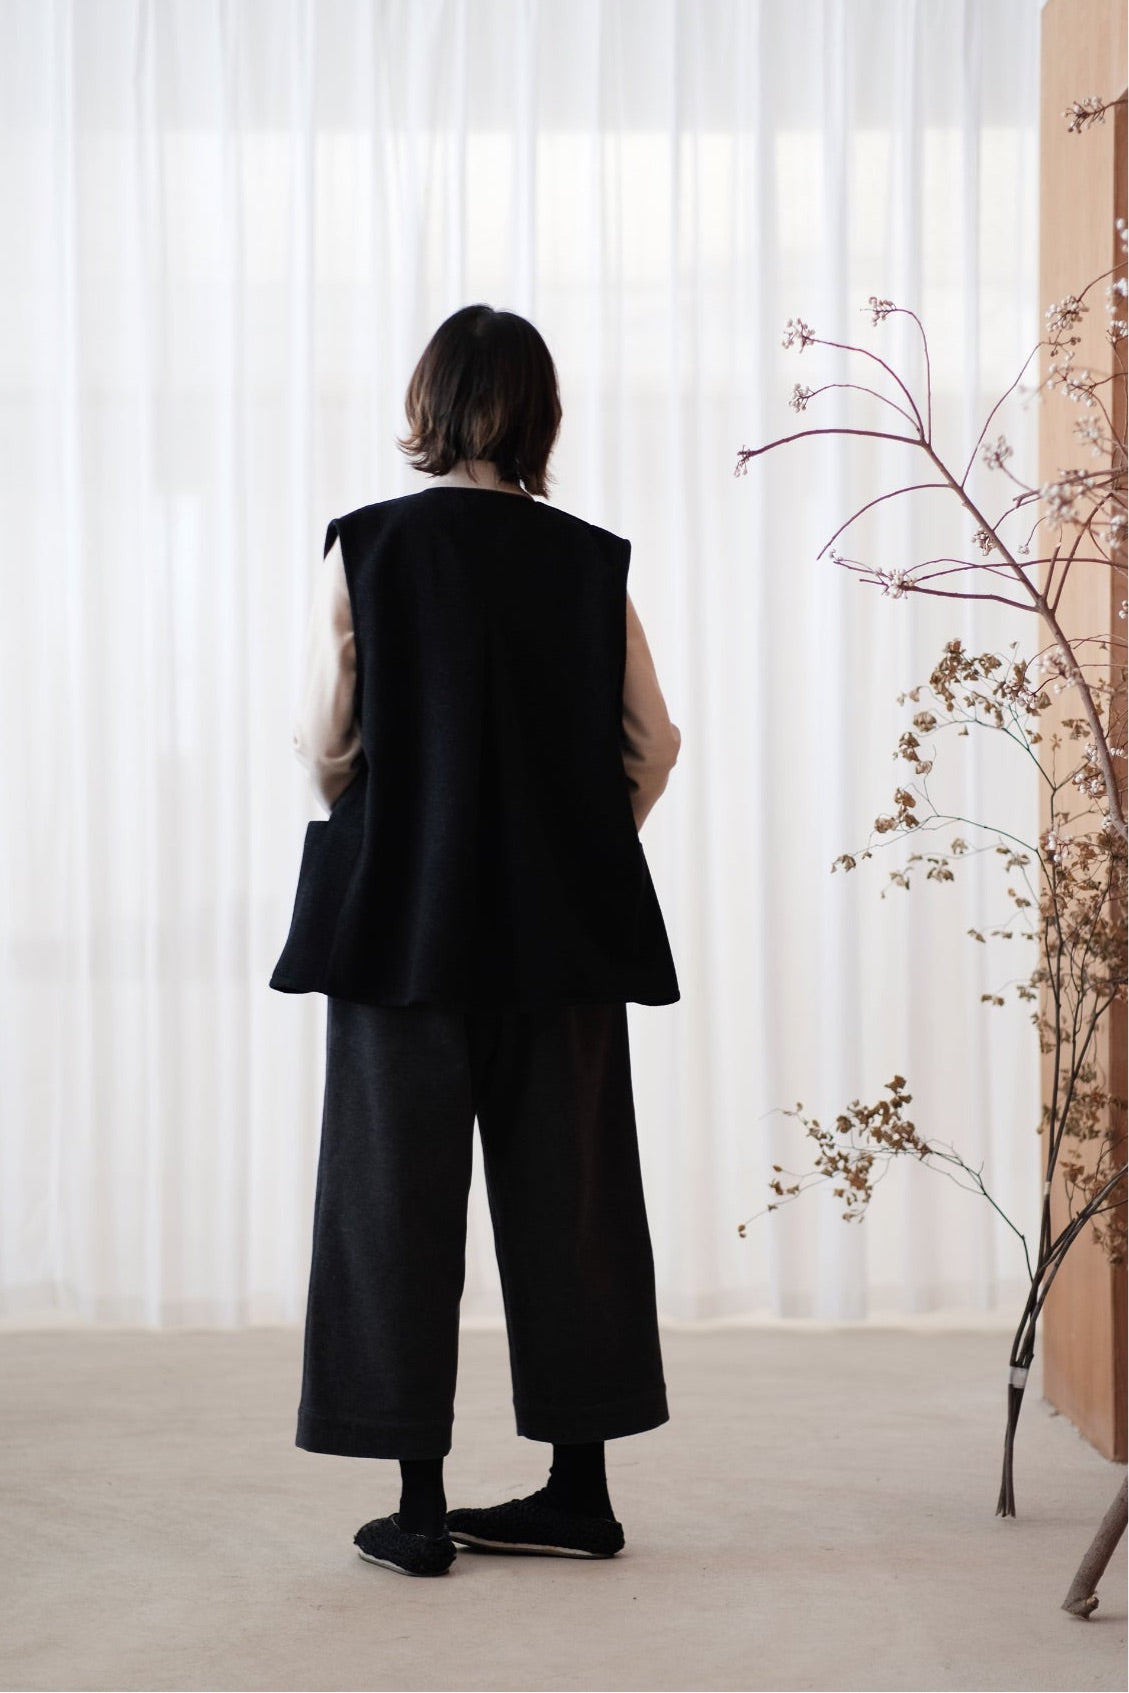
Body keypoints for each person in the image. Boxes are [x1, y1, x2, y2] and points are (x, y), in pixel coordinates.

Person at [269, 303, 681, 1578]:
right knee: (575, 1204)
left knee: (392, 1204)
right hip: (562, 933)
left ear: (426, 404)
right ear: (542, 415)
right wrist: (570, 835)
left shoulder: (369, 545)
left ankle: (418, 1506)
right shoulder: (589, 559)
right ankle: (578, 1492)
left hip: (402, 927)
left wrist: (397, 822)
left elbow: (324, 742)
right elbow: (653, 744)